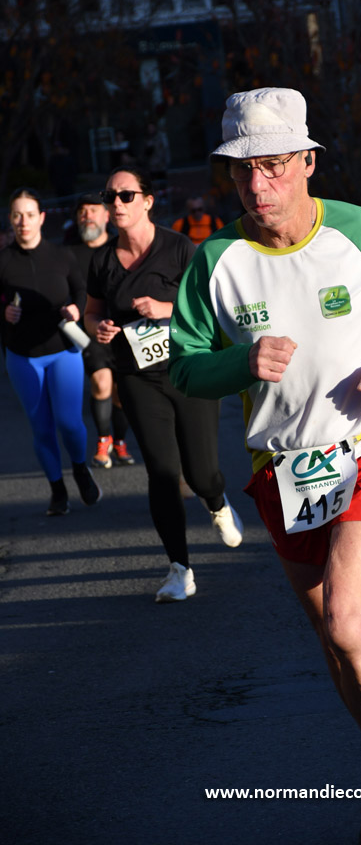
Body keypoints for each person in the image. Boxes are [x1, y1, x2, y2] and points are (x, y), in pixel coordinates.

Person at [169, 87, 361, 844]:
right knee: (333, 637)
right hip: (281, 469)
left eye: (273, 165)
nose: (257, 184)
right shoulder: (216, 260)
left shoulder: (356, 229)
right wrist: (239, 363)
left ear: (307, 163)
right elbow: (184, 367)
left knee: (349, 622)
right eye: (242, 169)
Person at [84, 165, 243, 603]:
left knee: (201, 473)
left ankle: (216, 501)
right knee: (163, 472)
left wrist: (165, 309)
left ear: (148, 201)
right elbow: (92, 312)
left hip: (189, 370)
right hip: (137, 377)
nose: (117, 203)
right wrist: (99, 328)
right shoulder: (101, 260)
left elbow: (211, 307)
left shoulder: (178, 248)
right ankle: (179, 569)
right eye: (110, 196)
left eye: (126, 195)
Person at [0, 188, 102, 515]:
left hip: (63, 352)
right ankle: (57, 490)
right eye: (17, 215)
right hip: (22, 356)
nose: (23, 222)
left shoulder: (61, 255)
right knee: (41, 428)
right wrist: (3, 312)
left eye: (30, 215)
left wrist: (76, 309)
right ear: (10, 219)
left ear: (42, 218)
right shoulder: (3, 261)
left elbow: (81, 290)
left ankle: (81, 469)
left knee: (70, 423)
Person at [68, 193, 135, 469]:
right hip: (90, 329)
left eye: (93, 210)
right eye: (82, 212)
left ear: (107, 215)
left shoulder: (120, 248)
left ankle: (119, 442)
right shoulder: (69, 253)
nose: (87, 216)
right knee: (101, 382)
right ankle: (103, 441)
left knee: (121, 391)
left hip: (123, 330)